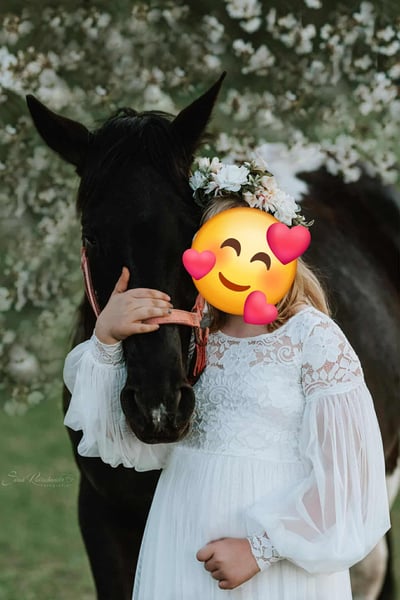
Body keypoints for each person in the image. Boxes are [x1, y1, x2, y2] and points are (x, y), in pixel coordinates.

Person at [63, 158, 390, 600]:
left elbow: (349, 480)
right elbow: (126, 445)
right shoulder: (195, 339)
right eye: (218, 251)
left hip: (272, 567)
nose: (235, 264)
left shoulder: (312, 338)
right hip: (182, 543)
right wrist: (106, 338)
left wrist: (260, 549)